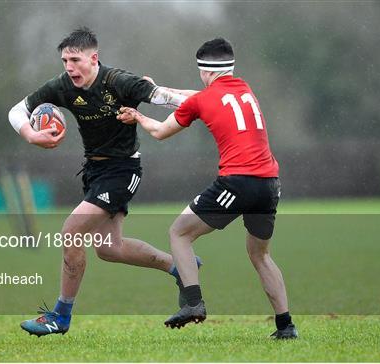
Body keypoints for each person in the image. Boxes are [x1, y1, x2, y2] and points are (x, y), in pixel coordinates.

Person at [8, 27, 201, 337]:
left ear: (94, 58)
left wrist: (209, 99)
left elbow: (167, 99)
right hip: (95, 171)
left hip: (123, 170)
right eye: (64, 61)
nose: (69, 67)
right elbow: (17, 110)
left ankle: (61, 315)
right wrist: (32, 135)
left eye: (75, 59)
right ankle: (180, 266)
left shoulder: (119, 81)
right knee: (109, 248)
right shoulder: (62, 86)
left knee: (71, 231)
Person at [117, 37, 298, 339]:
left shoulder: (203, 100)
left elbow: (161, 131)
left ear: (204, 71)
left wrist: (138, 116)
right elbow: (196, 97)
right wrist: (160, 90)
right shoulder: (245, 89)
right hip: (269, 184)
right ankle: (285, 326)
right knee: (260, 255)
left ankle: (193, 303)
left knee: (179, 233)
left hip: (237, 182)